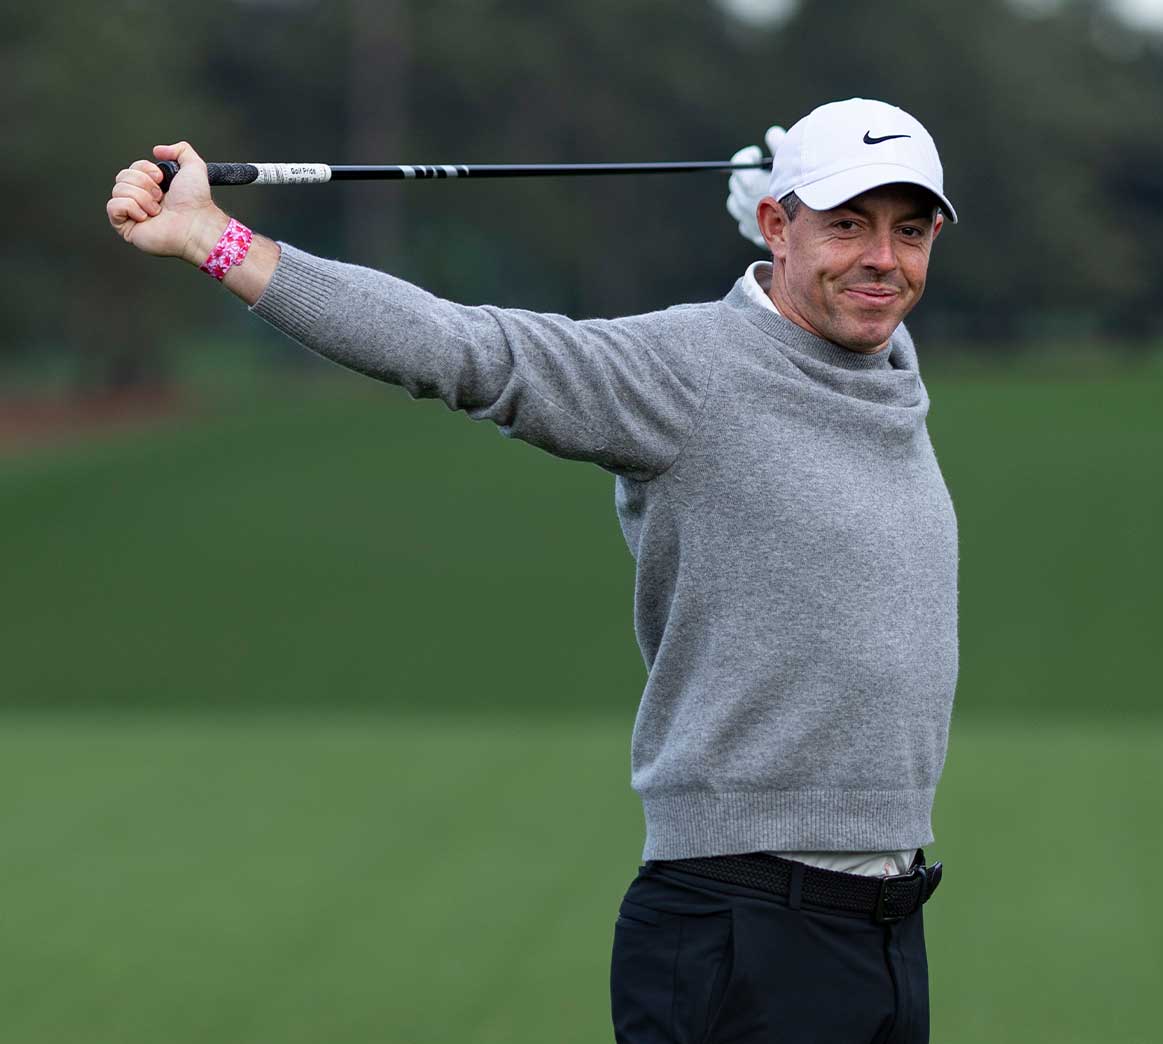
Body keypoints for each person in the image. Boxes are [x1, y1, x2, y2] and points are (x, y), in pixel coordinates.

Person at [107, 97, 958, 1043]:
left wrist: (805, 227)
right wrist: (217, 240)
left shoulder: (885, 369)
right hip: (747, 926)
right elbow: (466, 350)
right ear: (777, 225)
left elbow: (845, 294)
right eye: (849, 223)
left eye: (910, 231)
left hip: (885, 929)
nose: (886, 258)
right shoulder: (683, 373)